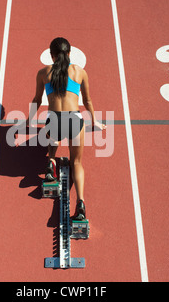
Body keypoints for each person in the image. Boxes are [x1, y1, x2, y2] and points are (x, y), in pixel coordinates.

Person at [27, 37, 106, 220]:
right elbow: (87, 100)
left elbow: (37, 100)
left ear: (51, 56)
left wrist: (29, 120)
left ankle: (51, 162)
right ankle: (80, 202)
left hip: (54, 121)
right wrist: (95, 121)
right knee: (76, 163)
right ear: (69, 53)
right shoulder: (79, 72)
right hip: (74, 121)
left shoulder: (43, 73)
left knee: (51, 132)